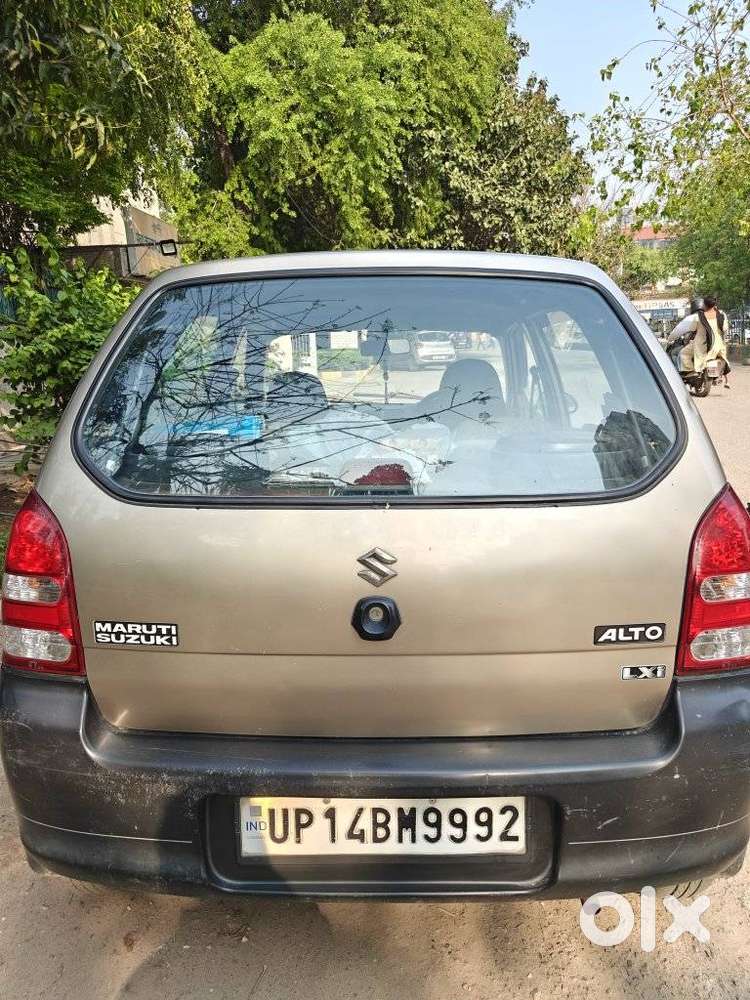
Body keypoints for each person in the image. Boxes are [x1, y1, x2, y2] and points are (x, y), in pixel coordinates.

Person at [666, 295, 731, 387]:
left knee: (683, 353)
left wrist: (669, 339)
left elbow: (680, 331)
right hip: (718, 346)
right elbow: (725, 330)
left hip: (702, 345)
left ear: (704, 305)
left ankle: (689, 372)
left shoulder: (696, 317)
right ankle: (722, 378)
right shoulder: (721, 316)